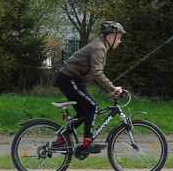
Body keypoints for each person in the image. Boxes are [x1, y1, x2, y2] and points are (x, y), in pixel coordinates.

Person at [54, 21, 126, 158]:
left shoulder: (102, 46)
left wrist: (108, 90)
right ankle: (86, 144)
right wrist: (112, 87)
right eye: (119, 37)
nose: (120, 41)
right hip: (69, 78)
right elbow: (97, 73)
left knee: (83, 112)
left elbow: (93, 75)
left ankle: (61, 139)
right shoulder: (99, 47)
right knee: (93, 107)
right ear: (111, 36)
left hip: (72, 79)